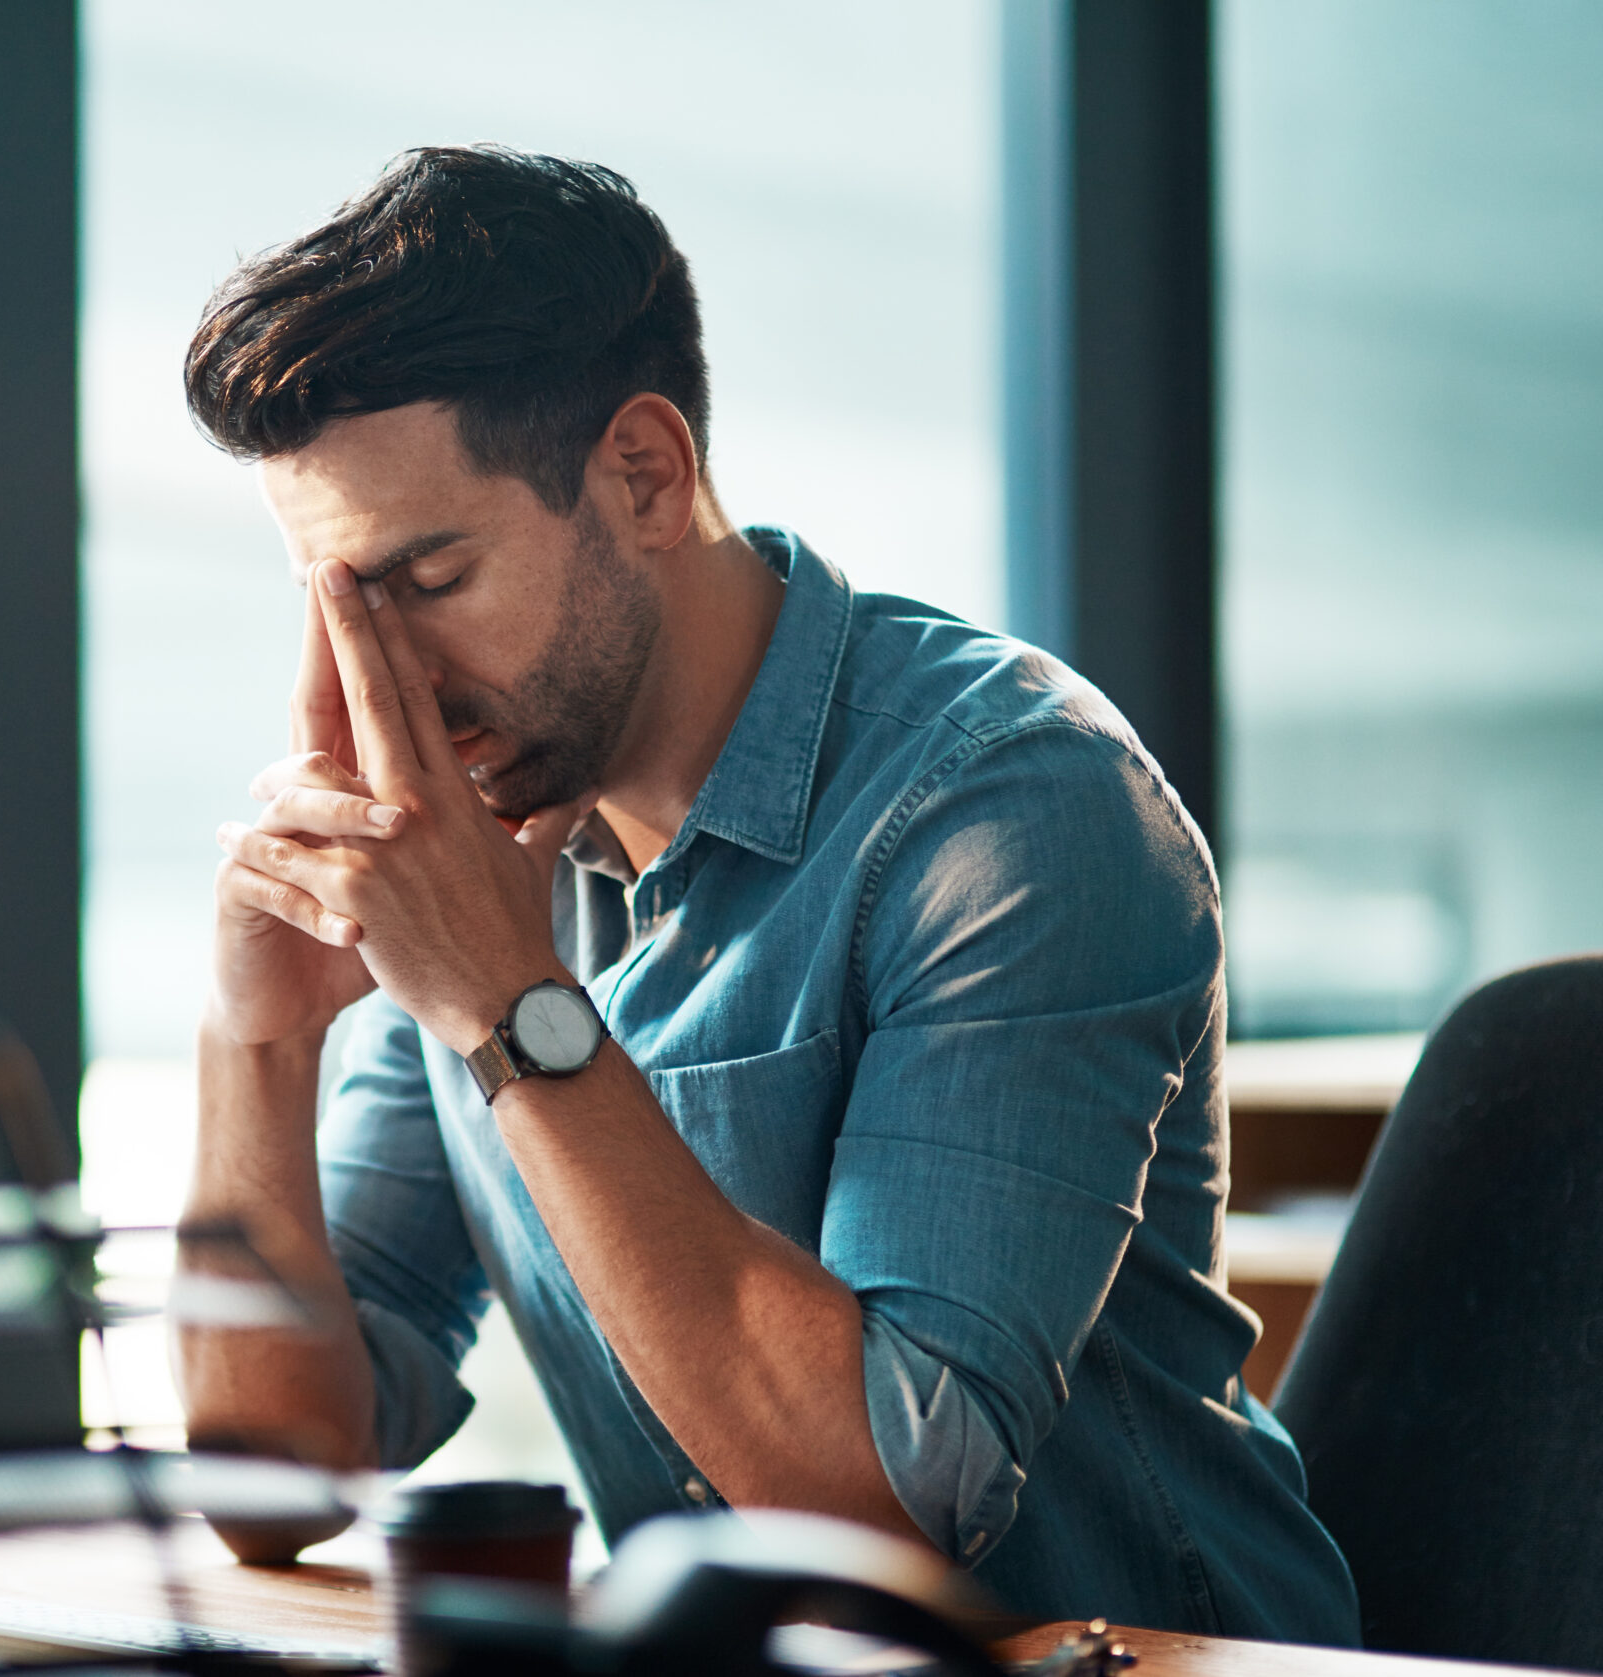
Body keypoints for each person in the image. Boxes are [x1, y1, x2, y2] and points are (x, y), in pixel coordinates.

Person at [172, 145, 1358, 1641]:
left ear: (645, 476)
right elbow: (279, 1477)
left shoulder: (1016, 811)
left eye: (426, 580)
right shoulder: (493, 844)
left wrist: (509, 1006)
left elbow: (880, 1512)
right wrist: (257, 1038)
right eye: (333, 604)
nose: (379, 680)